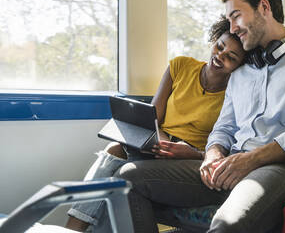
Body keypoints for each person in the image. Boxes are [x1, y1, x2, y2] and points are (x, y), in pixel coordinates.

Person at [103, 0, 285, 232]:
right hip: (229, 164)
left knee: (227, 224)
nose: (232, 28)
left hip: (280, 169)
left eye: (236, 16)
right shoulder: (240, 73)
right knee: (128, 177)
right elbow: (224, 128)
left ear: (264, 7)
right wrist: (213, 154)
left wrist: (251, 159)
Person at [65, 16, 246, 232]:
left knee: (117, 178)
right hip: (157, 143)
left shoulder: (235, 93)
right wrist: (161, 140)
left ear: (239, 66)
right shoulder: (180, 66)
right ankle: (72, 228)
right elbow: (152, 118)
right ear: (214, 40)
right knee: (113, 150)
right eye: (220, 46)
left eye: (230, 57)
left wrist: (192, 153)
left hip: (188, 156)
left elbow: (222, 145)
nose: (220, 56)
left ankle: (73, 229)